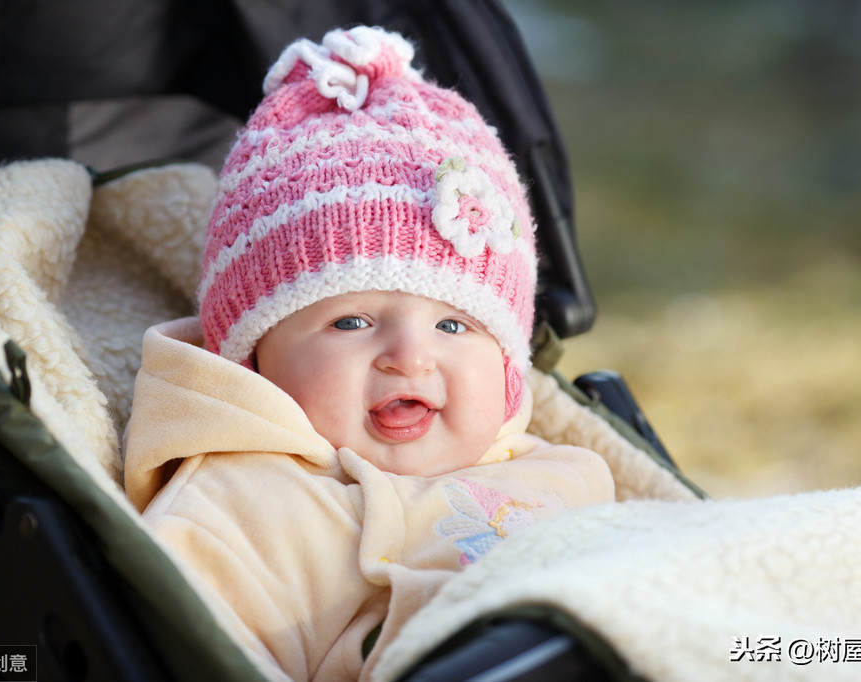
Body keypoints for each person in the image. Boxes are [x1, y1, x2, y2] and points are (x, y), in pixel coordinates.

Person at [123, 26, 614, 682]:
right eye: (350, 321)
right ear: (251, 362)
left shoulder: (571, 476)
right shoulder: (233, 516)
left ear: (507, 362)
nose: (409, 358)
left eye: (453, 326)